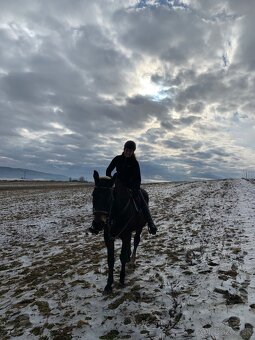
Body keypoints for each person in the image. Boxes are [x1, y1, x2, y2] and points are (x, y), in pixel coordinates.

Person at [106, 140, 157, 235]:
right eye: (127, 150)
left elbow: (138, 178)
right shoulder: (117, 159)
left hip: (131, 187)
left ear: (133, 152)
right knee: (107, 199)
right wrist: (111, 182)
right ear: (124, 149)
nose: (128, 152)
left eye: (130, 151)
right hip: (118, 186)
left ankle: (151, 223)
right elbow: (108, 170)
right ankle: (102, 222)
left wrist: (135, 189)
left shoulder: (134, 163)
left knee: (143, 201)